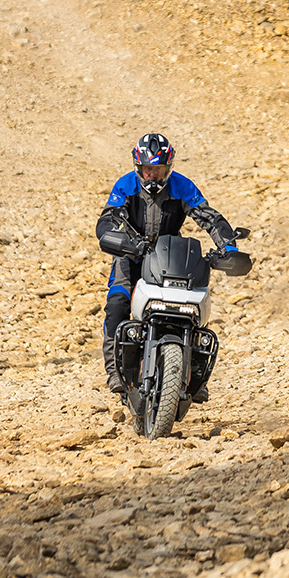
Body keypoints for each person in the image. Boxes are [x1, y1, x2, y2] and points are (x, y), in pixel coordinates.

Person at [96, 133, 238, 395]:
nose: (153, 176)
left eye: (159, 170)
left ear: (169, 168)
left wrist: (228, 247)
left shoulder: (183, 186)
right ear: (139, 167)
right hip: (130, 255)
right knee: (117, 302)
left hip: (168, 256)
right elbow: (108, 219)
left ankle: (195, 373)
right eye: (149, 170)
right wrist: (112, 237)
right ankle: (114, 371)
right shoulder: (125, 185)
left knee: (193, 305)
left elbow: (209, 217)